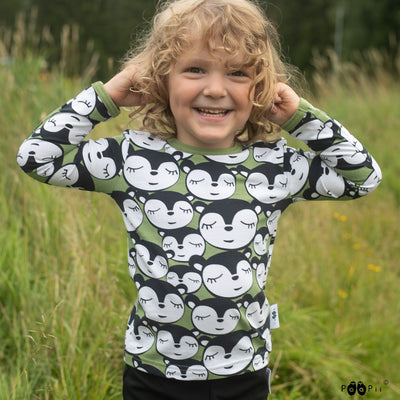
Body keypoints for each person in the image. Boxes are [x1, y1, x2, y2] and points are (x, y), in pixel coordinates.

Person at [16, 0, 382, 399]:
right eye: (194, 69)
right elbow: (37, 157)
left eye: (238, 73)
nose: (215, 89)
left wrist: (300, 117)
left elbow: (363, 178)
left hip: (243, 373)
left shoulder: (273, 165)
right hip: (152, 373)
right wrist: (108, 96)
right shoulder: (133, 158)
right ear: (160, 79)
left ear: (259, 87)